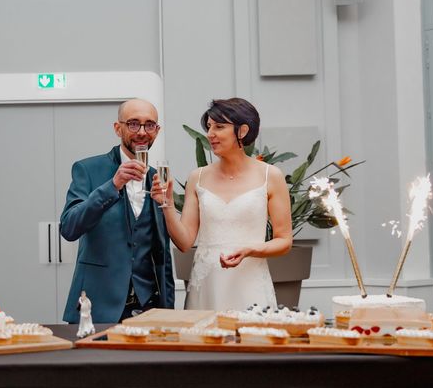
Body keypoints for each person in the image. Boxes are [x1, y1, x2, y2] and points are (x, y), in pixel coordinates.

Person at [151, 98, 292, 310]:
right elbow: (184, 242)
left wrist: (250, 250)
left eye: (219, 127)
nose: (210, 134)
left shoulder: (270, 176)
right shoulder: (197, 177)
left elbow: (284, 240)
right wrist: (168, 205)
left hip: (250, 283)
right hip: (206, 285)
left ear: (242, 131)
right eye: (209, 127)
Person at [60, 98, 175, 324]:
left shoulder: (158, 176)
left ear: (157, 131)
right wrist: (112, 185)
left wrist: (168, 309)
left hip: (149, 307)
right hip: (98, 306)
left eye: (149, 125)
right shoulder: (88, 169)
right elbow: (69, 228)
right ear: (117, 128)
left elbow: (163, 252)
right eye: (133, 124)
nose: (142, 132)